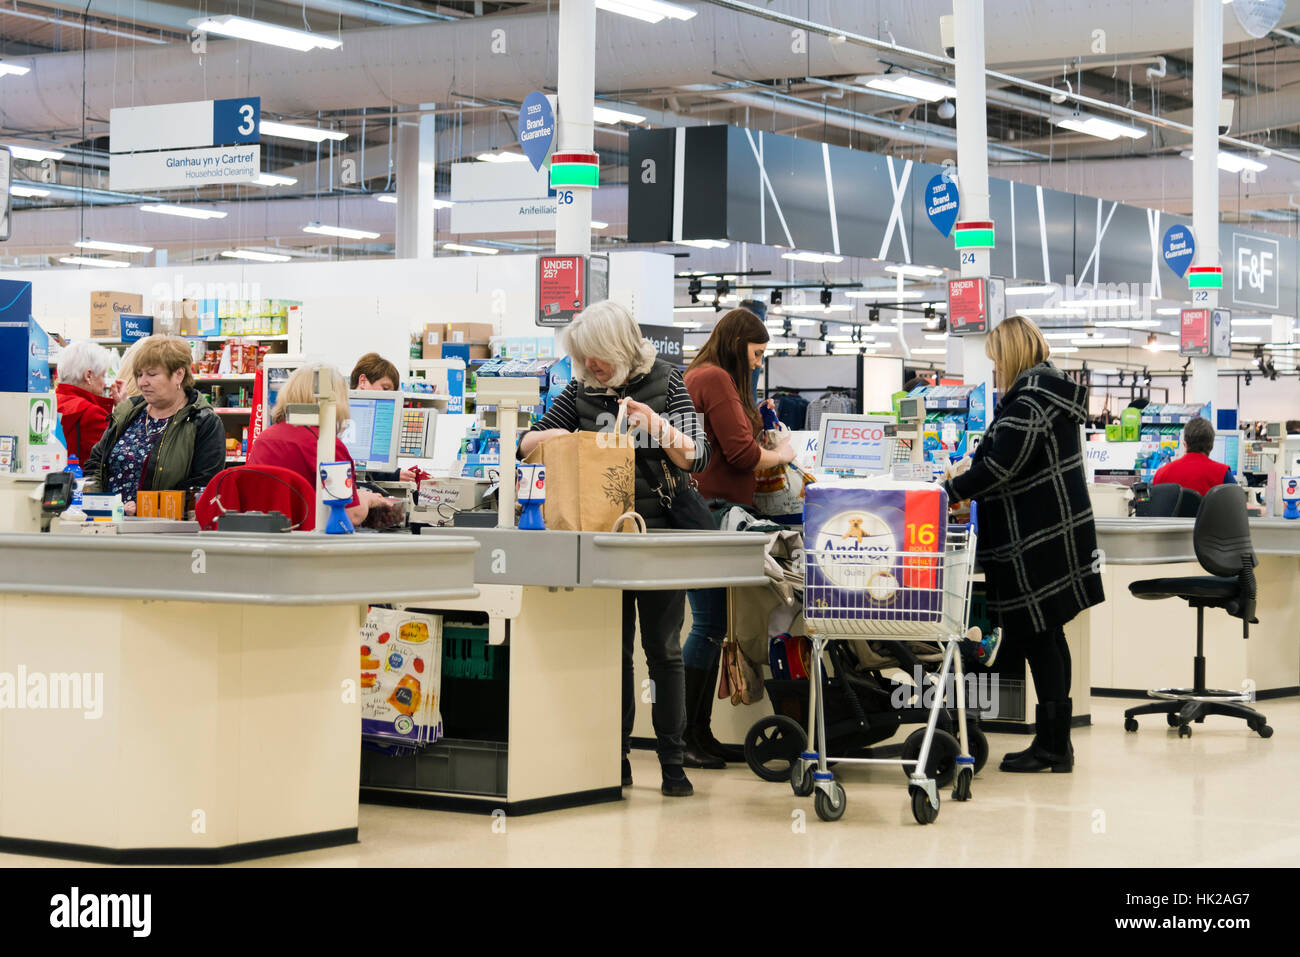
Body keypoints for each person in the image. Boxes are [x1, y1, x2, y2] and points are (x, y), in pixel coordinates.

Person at [518, 300, 711, 798]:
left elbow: (697, 457)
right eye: (583, 357)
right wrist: (565, 436)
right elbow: (527, 444)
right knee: (613, 650)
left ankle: (672, 762)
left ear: (619, 347)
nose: (590, 366)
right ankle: (614, 758)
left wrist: (658, 426)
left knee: (664, 651)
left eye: (597, 356)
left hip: (658, 540)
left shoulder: (668, 381)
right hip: (602, 539)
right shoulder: (580, 389)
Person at [942, 315, 1104, 774]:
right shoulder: (1047, 395)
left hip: (1035, 539)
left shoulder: (1030, 401)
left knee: (1038, 638)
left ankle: (1053, 746)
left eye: (996, 360)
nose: (995, 369)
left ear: (1011, 355)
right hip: (1051, 533)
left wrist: (946, 491)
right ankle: (1056, 743)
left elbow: (999, 467)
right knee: (1048, 635)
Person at [679, 308, 794, 769]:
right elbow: (743, 455)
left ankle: (697, 733)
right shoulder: (716, 379)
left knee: (711, 625)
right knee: (708, 624)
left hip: (702, 514)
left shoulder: (699, 376)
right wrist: (782, 454)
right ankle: (685, 736)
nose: (758, 363)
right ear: (737, 344)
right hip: (712, 516)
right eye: (757, 353)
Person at [84, 335, 226, 512]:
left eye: (151, 374)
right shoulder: (129, 411)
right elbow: (96, 462)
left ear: (179, 375)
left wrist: (148, 507)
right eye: (139, 374)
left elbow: (203, 486)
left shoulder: (203, 421)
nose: (142, 382)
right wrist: (99, 504)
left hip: (166, 526)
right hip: (110, 521)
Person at [247, 363, 390, 527]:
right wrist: (367, 499)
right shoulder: (326, 445)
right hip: (306, 538)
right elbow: (350, 516)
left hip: (259, 535)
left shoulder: (264, 439)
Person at [349, 352, 416, 483]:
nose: (388, 397)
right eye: (385, 388)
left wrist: (395, 474)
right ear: (363, 381)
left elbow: (368, 469)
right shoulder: (339, 413)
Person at [56, 340, 117, 465]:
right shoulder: (91, 414)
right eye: (103, 375)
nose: (105, 383)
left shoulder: (48, 403)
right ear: (88, 376)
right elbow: (117, 456)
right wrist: (124, 409)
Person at [1152, 416, 1234, 496]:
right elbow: (1237, 502)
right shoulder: (1223, 474)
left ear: (1185, 444)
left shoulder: (1161, 474)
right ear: (1212, 445)